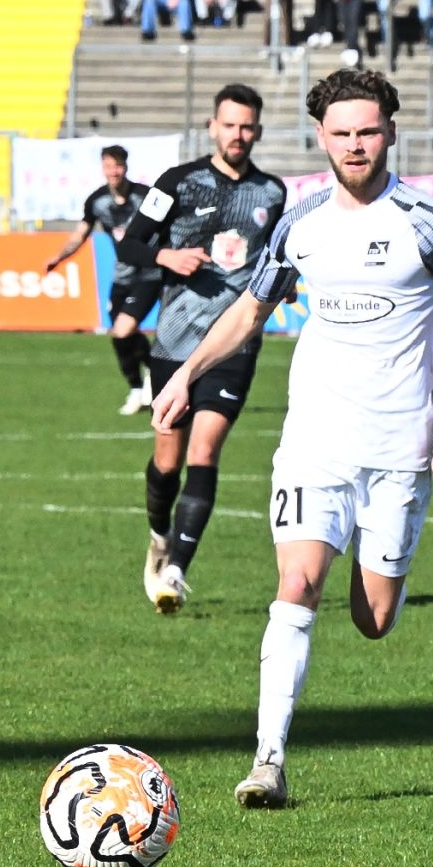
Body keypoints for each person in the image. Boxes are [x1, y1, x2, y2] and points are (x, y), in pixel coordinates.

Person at [149, 68, 433, 809]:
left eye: (368, 130)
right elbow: (251, 310)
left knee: (372, 620)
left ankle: (384, 569)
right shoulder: (302, 221)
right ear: (321, 137)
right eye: (342, 132)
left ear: (390, 132)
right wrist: (187, 372)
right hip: (314, 441)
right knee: (296, 585)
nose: (355, 144)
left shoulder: (425, 220)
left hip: (399, 453)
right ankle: (268, 762)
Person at [116, 84, 287, 613]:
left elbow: (278, 259)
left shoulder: (274, 193)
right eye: (229, 125)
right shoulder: (177, 183)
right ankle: (159, 536)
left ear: (257, 131)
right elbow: (130, 242)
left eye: (247, 127)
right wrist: (167, 257)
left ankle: (176, 572)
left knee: (204, 450)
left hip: (234, 342)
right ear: (213, 127)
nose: (238, 135)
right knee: (166, 462)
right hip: (175, 339)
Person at [46, 144, 160, 416]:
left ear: (126, 167)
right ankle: (143, 380)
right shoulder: (97, 201)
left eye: (118, 165)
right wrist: (59, 257)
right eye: (109, 166)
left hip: (149, 273)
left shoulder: (145, 197)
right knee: (121, 335)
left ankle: (143, 383)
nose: (114, 171)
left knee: (122, 329)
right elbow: (79, 234)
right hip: (121, 276)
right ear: (102, 167)